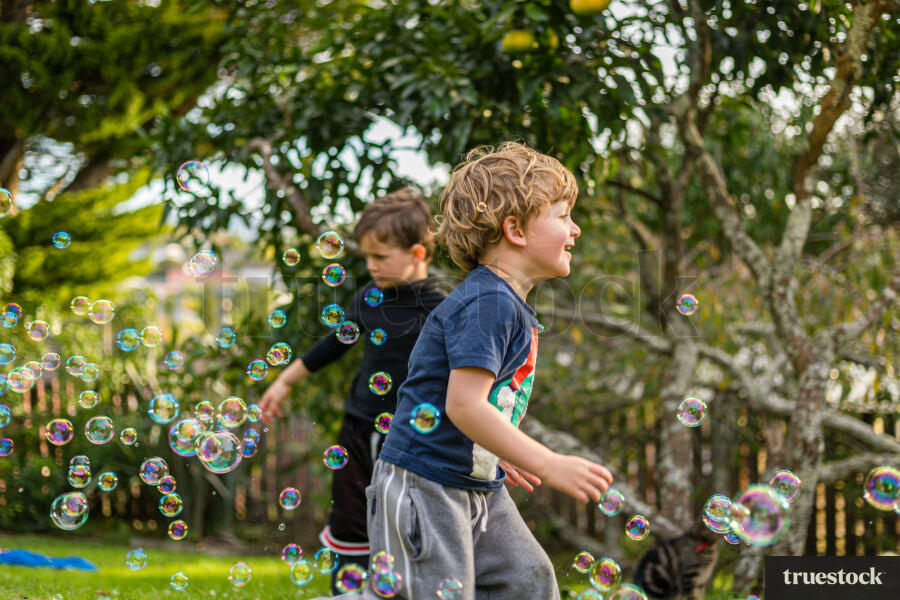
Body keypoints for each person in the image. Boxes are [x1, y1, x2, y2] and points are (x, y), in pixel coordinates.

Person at [319, 141, 614, 599]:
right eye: (562, 215)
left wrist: (496, 449)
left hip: (475, 482)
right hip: (425, 484)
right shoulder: (489, 302)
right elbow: (463, 405)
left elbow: (479, 405)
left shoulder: (505, 302)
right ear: (514, 228)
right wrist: (548, 462)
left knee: (528, 579)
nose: (575, 229)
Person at [258, 188, 447, 595]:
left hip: (410, 435)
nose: (371, 266)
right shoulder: (369, 298)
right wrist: (284, 381)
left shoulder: (441, 308)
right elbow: (333, 344)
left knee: (402, 519)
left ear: (417, 252)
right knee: (348, 514)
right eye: (366, 256)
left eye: (381, 257)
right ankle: (346, 591)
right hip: (358, 426)